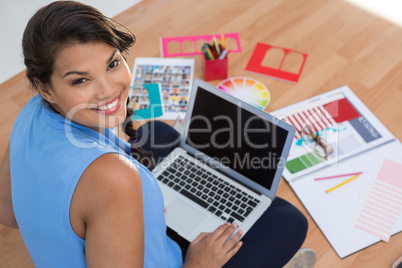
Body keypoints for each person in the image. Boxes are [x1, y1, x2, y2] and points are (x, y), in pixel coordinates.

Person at [0, 1, 309, 267]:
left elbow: (7, 214)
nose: (108, 91)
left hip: (115, 218)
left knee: (155, 132)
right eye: (80, 81)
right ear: (45, 87)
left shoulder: (29, 114)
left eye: (113, 63)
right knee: (288, 221)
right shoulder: (116, 180)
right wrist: (197, 263)